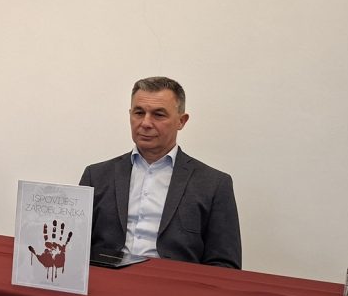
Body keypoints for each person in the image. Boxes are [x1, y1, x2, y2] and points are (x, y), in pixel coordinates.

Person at [79, 76, 241, 269]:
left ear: (181, 121)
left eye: (158, 115)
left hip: (176, 290)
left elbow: (225, 265)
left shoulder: (213, 184)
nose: (146, 123)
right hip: (106, 285)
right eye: (139, 113)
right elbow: (74, 246)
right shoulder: (96, 176)